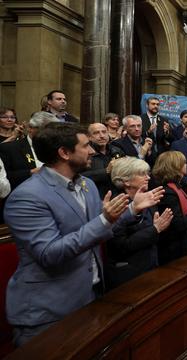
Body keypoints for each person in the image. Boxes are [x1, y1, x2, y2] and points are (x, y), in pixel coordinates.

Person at [3, 122, 162, 346]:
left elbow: (99, 231)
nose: (91, 151)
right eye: (86, 145)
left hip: (92, 297)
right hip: (49, 310)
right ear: (64, 153)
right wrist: (105, 219)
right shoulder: (27, 197)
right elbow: (50, 253)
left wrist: (131, 211)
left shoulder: (86, 184)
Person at [106, 157, 173, 290]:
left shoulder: (147, 197)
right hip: (129, 276)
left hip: (150, 266)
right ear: (126, 181)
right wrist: (155, 229)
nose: (148, 177)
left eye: (147, 173)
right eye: (142, 174)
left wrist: (158, 228)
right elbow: (120, 245)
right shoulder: (115, 204)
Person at [0, 111, 58, 191]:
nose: (51, 134)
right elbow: (4, 178)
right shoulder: (9, 148)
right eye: (46, 129)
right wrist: (30, 172)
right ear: (30, 128)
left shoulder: (57, 147)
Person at [82, 123, 115, 197]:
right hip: (95, 197)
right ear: (89, 137)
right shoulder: (85, 154)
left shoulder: (116, 150)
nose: (102, 136)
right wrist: (106, 171)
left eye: (104, 132)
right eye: (96, 133)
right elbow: (79, 177)